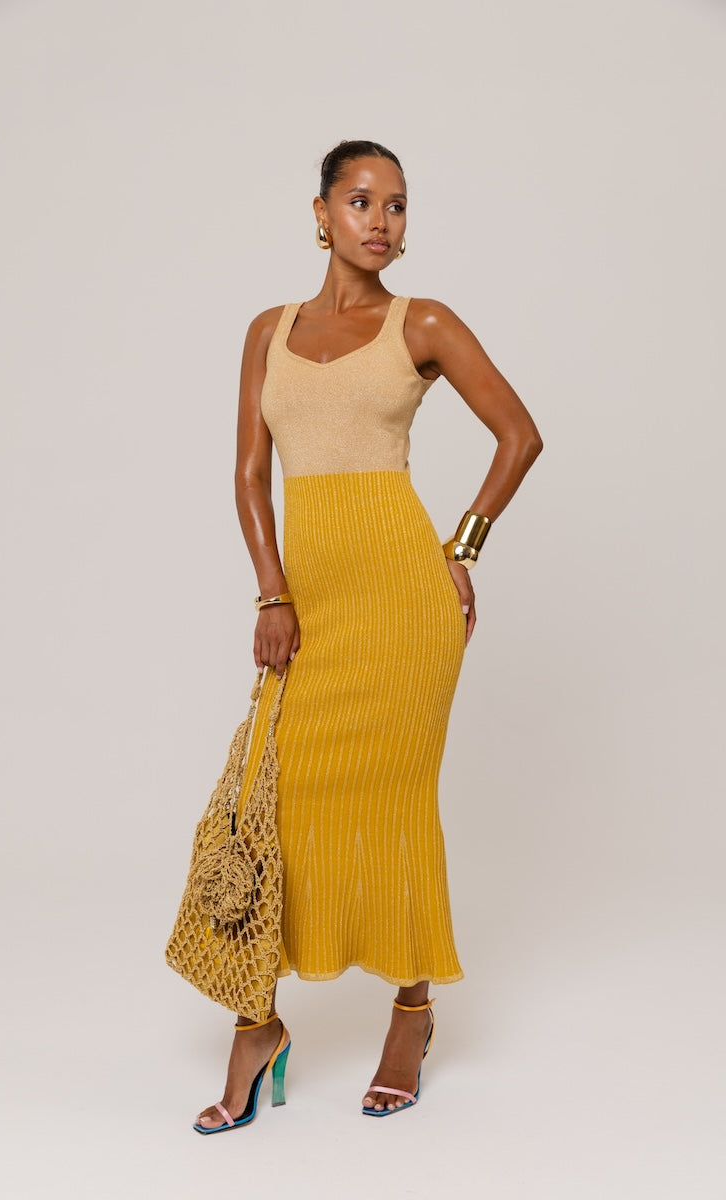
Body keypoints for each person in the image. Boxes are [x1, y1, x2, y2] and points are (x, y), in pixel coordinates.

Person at [193, 139, 542, 1132]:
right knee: (273, 799)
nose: (380, 221)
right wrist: (271, 596)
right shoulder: (267, 331)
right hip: (308, 597)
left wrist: (459, 549)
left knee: (395, 805)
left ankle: (411, 1012)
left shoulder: (420, 322)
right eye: (359, 201)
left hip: (402, 605)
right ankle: (256, 1024)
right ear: (320, 214)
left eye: (395, 204)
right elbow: (248, 476)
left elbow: (519, 435)